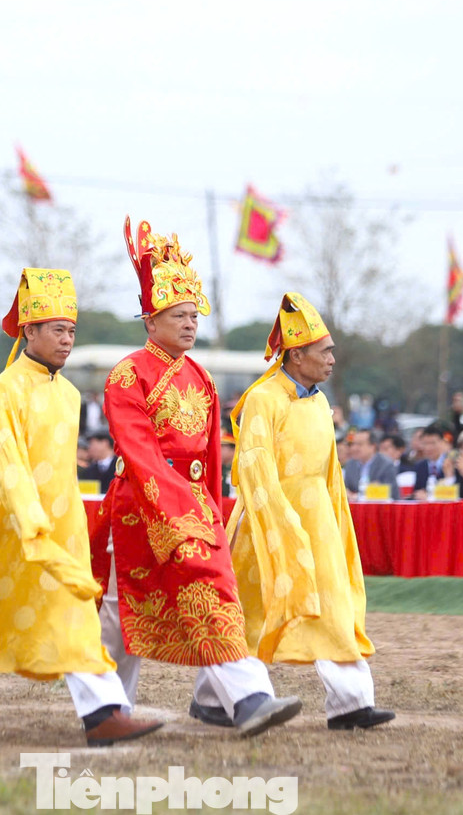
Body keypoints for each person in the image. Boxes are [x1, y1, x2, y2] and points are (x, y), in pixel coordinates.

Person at [0, 268, 162, 745]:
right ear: (29, 331)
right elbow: (8, 463)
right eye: (57, 330)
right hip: (11, 524)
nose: (67, 340)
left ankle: (102, 713)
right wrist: (30, 522)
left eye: (71, 331)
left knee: (71, 614)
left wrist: (63, 527)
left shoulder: (70, 394)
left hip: (60, 530)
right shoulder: (6, 389)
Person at [92, 218, 301, 738]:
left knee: (211, 594)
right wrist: (176, 506)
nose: (189, 324)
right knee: (119, 618)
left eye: (193, 316)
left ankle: (248, 698)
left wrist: (208, 507)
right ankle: (108, 711)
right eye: (178, 316)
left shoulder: (201, 377)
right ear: (151, 320)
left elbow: (209, 457)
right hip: (140, 509)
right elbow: (138, 452)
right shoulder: (128, 374)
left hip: (192, 510)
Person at [225, 292, 393, 730]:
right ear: (297, 355)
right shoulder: (264, 398)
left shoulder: (319, 401)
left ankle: (351, 704)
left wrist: (336, 522)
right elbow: (253, 465)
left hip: (318, 524)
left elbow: (330, 472)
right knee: (251, 613)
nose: (333, 358)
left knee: (334, 607)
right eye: (326, 351)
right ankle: (219, 698)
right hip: (267, 524)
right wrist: (278, 524)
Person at [342, 429, 398, 496]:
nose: (354, 448)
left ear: (373, 446)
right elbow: (346, 488)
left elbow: (390, 492)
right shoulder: (350, 464)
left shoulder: (386, 464)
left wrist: (368, 492)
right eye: (353, 444)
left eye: (359, 444)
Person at [411, 423, 454, 499]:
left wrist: (430, 497)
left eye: (432, 443)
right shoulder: (420, 466)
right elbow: (417, 492)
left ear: (442, 442)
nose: (428, 448)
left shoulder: (452, 463)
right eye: (425, 444)